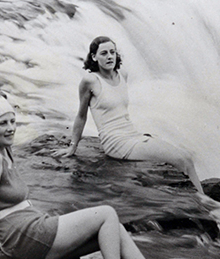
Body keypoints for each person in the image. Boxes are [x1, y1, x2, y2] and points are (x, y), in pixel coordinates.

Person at [0, 96, 201, 259]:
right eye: (2, 124)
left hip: (29, 234)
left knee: (111, 229)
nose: (10, 128)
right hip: (25, 239)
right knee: (106, 213)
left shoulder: (1, 149)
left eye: (12, 121)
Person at [58, 36, 203, 192]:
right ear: (94, 57)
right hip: (116, 142)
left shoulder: (122, 75)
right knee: (179, 160)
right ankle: (202, 205)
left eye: (112, 52)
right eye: (104, 53)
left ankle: (207, 204)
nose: (109, 57)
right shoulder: (90, 81)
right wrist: (73, 146)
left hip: (132, 134)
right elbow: (81, 115)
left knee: (187, 158)